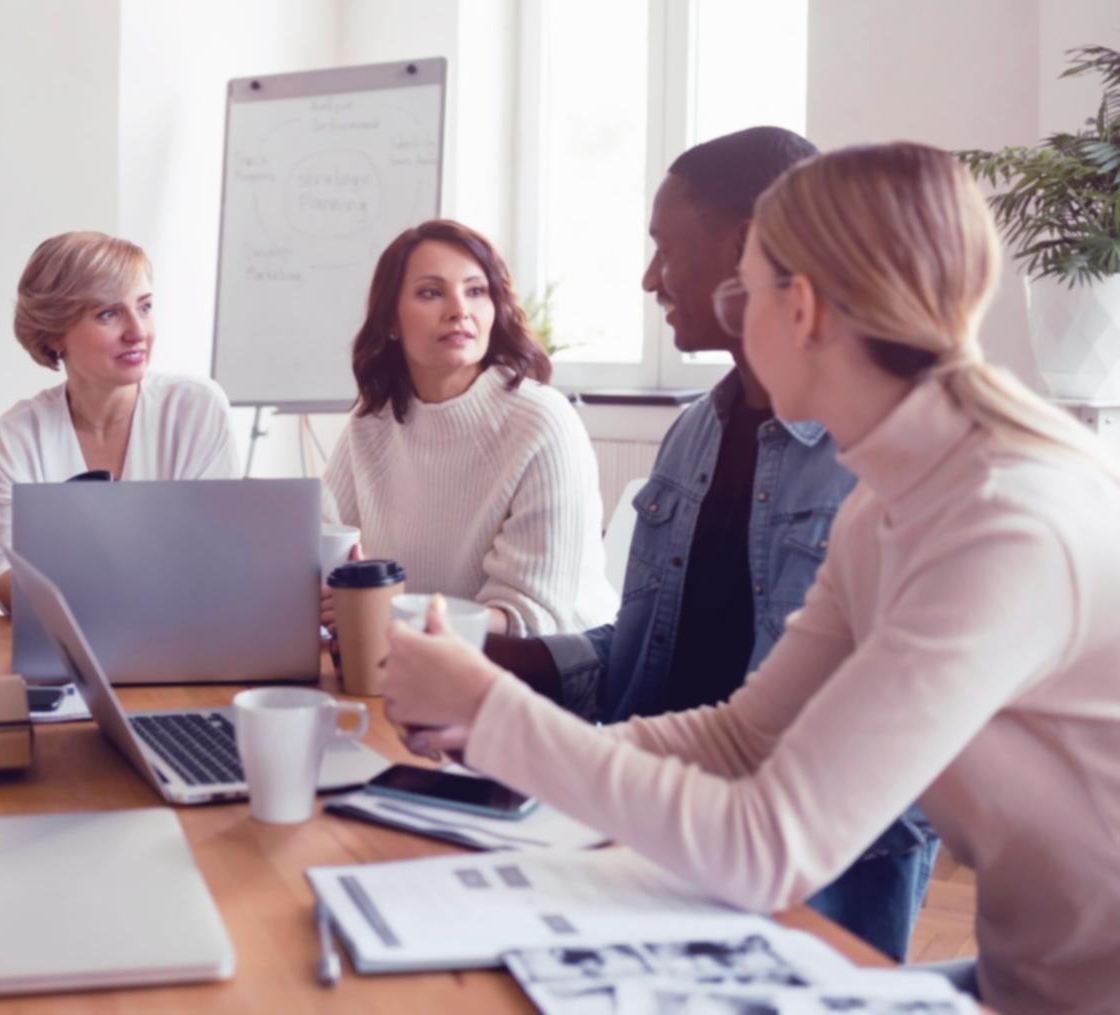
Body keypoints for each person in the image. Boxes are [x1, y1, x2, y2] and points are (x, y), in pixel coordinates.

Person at [383, 142, 1120, 1013]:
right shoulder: (883, 502)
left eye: (745, 290)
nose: (728, 312)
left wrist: (493, 715)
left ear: (798, 307)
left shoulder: (1002, 522)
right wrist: (499, 749)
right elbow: (743, 736)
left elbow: (768, 844)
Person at [481, 127, 936, 962]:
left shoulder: (881, 470)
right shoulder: (695, 432)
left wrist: (511, 731)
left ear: (745, 252)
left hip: (792, 881)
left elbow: (781, 753)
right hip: (649, 831)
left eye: (663, 247)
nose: (649, 277)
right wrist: (509, 668)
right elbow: (663, 650)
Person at [322, 219, 614, 637]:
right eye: (431, 292)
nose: (460, 310)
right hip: (421, 660)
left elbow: (530, 617)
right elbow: (321, 545)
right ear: (390, 321)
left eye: (476, 291)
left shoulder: (540, 420)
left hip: (557, 673)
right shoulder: (371, 423)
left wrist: (389, 613)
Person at [0, 230, 238, 612]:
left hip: (186, 641)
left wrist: (78, 577)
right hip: (71, 645)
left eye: (145, 307)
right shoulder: (21, 432)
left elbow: (214, 565)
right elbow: (5, 571)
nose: (137, 332)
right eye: (108, 314)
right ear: (55, 334)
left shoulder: (196, 408)